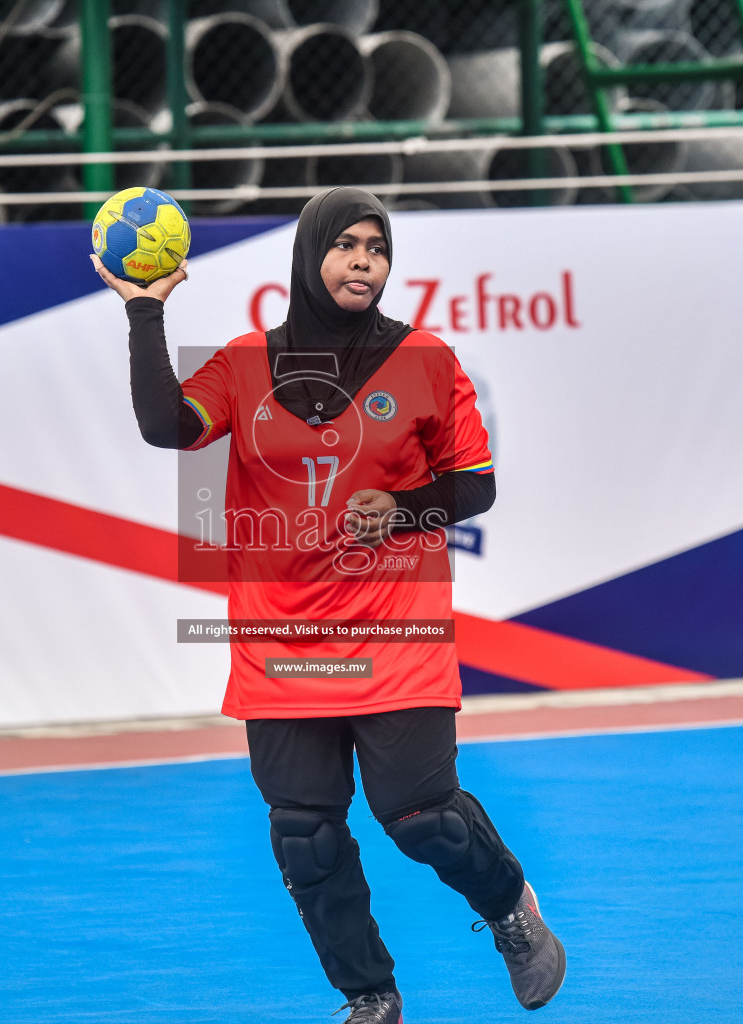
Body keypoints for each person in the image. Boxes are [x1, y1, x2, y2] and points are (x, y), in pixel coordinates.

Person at [91, 187, 565, 1022]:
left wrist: (407, 507)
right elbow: (167, 426)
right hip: (281, 640)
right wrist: (142, 313)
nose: (362, 262)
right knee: (306, 834)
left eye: (375, 248)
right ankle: (370, 996)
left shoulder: (426, 358)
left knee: (422, 818)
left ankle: (510, 911)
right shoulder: (244, 364)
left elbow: (475, 485)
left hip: (395, 629)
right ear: (310, 256)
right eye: (345, 245)